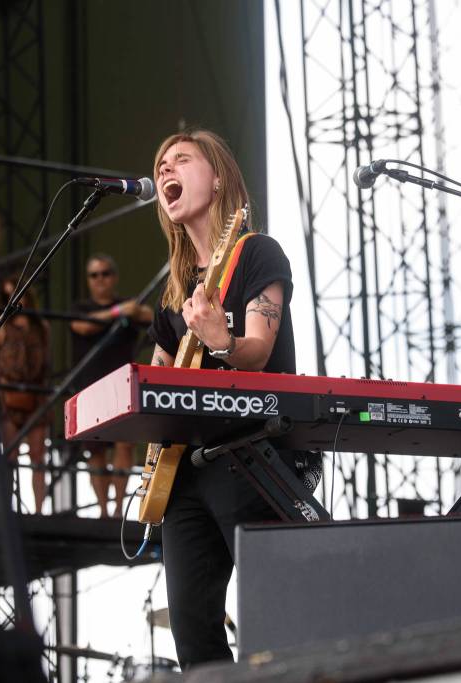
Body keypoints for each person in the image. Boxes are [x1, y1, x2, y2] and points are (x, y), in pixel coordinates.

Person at [147, 129, 298, 667]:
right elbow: (157, 385)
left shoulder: (257, 253)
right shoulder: (174, 289)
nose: (167, 170)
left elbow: (257, 351)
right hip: (188, 472)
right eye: (162, 164)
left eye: (182, 160)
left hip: (253, 455)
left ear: (217, 179)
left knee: (278, 625)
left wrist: (221, 341)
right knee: (194, 639)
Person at [69, 253, 152, 518]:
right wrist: (118, 312)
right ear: (88, 280)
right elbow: (81, 327)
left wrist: (132, 309)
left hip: (121, 386)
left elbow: (152, 317)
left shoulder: (127, 304)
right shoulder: (81, 307)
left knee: (124, 445)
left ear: (114, 277)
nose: (100, 279)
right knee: (95, 452)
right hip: (90, 386)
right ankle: (104, 510)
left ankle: (117, 510)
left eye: (105, 273)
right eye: (94, 275)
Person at [0, 278, 50, 514]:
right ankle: (6, 509)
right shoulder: (0, 324)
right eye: (9, 294)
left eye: (18, 292)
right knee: (9, 456)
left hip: (36, 394)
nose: (15, 297)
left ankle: (39, 510)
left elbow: (47, 361)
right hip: (8, 396)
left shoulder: (41, 326)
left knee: (38, 455)